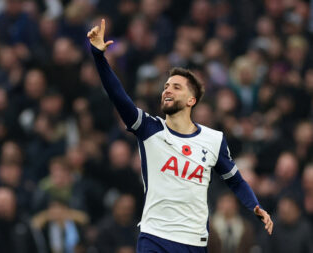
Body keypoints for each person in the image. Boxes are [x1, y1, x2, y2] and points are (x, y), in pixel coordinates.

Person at [87, 19, 273, 253]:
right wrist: (99, 57)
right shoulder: (149, 128)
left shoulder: (213, 139)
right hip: (155, 236)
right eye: (166, 85)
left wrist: (255, 206)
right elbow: (118, 95)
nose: (167, 89)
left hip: (194, 242)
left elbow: (234, 179)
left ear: (191, 100)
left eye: (176, 87)